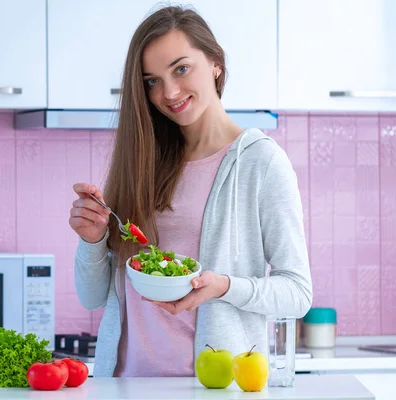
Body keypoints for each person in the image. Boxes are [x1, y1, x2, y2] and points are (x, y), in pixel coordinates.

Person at [68, 5, 312, 378]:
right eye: (152, 80)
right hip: (124, 384)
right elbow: (92, 298)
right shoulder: (143, 161)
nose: (169, 92)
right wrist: (93, 240)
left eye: (181, 69)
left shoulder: (261, 163)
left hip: (210, 385)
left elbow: (297, 293)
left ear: (215, 62)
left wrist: (223, 286)